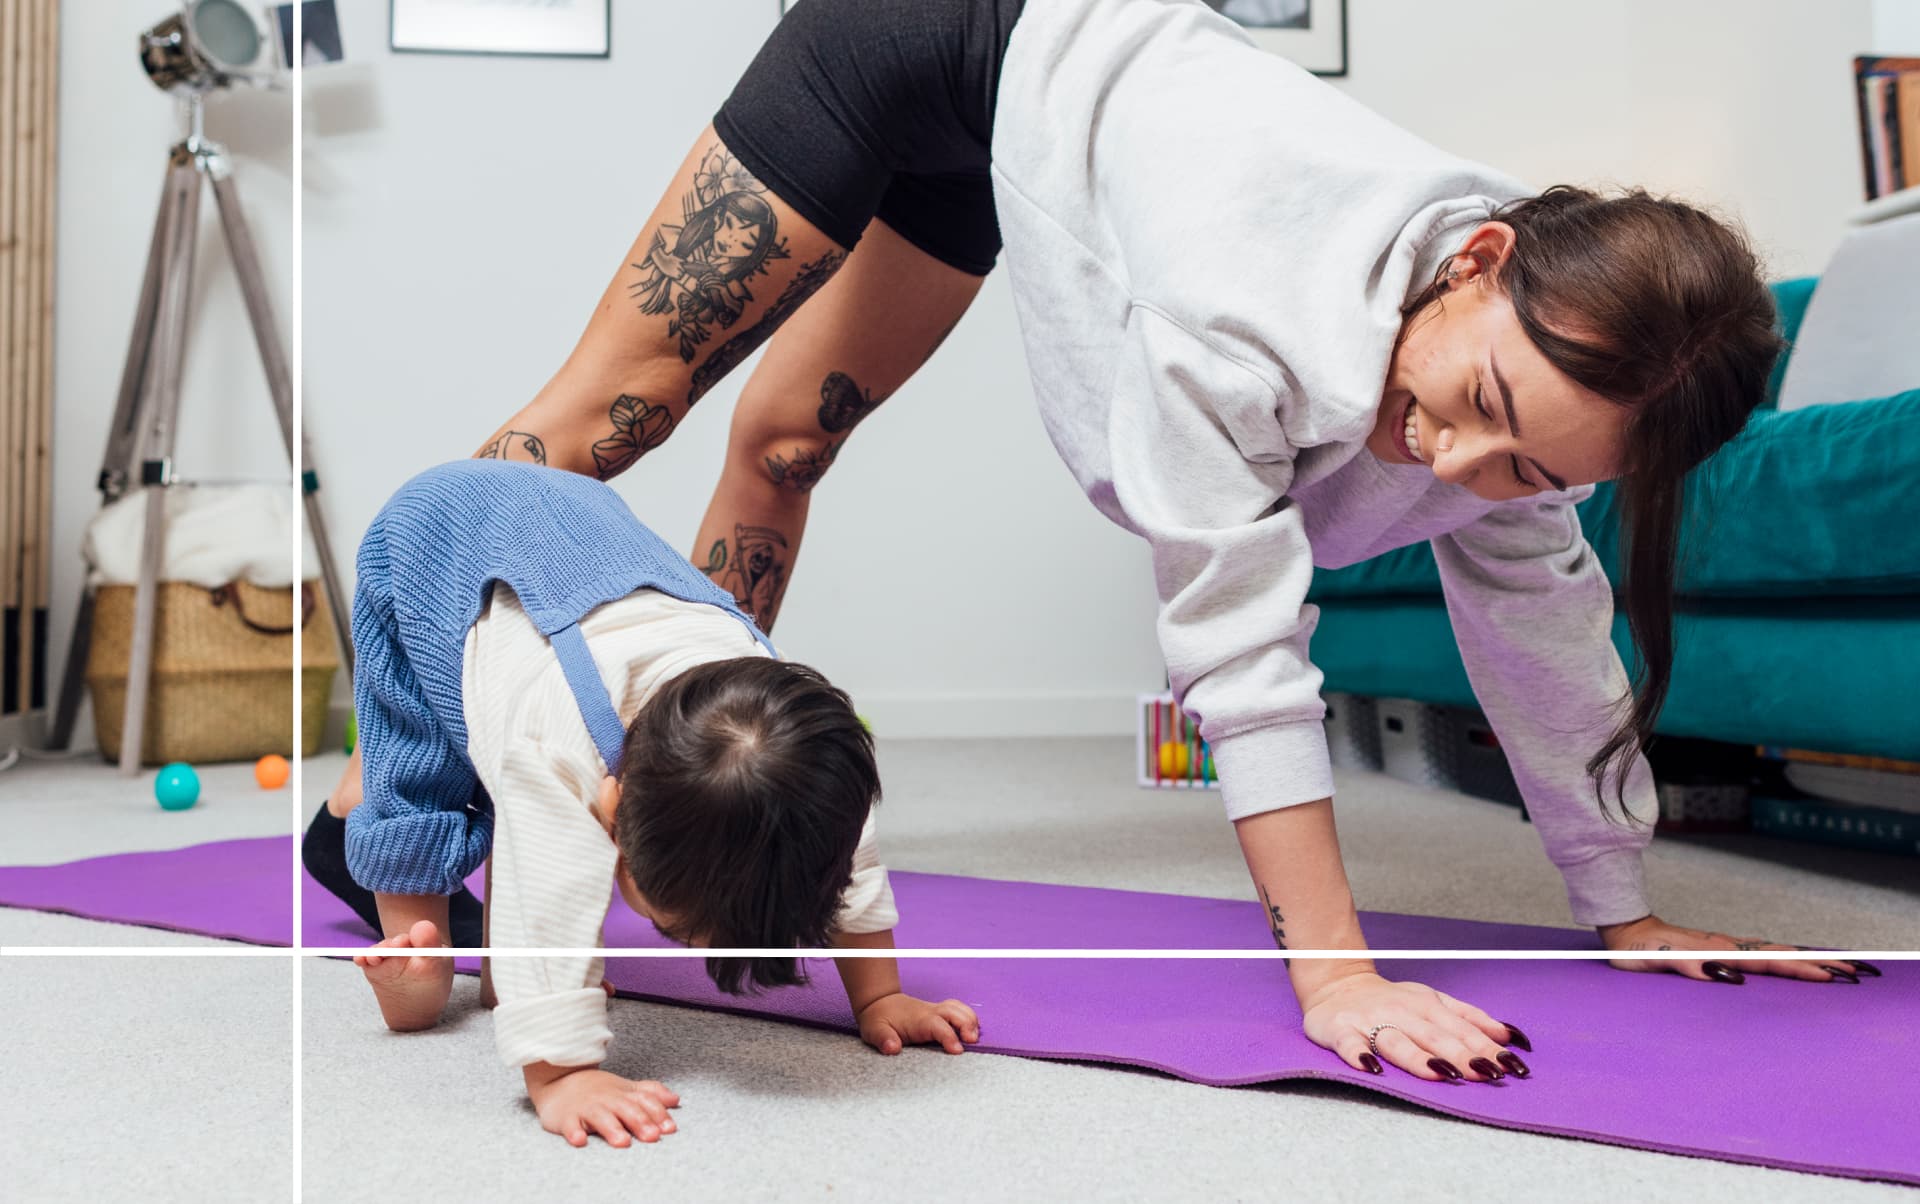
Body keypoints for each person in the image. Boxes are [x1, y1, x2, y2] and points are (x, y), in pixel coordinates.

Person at [319, 0, 1880, 1087]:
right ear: (1479, 258)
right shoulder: (1239, 298)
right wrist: (1331, 973)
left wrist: (1620, 902)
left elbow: (1543, 623)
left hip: (1030, 102)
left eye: (1519, 465)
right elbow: (1242, 650)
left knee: (786, 444)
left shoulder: (1540, 376)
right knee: (613, 413)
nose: (1449, 460)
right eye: (1471, 402)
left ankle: (716, 815)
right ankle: (392, 788)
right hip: (916, 32)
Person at [309, 459, 978, 1148]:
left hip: (577, 537)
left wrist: (878, 996)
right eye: (676, 927)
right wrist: (562, 1073)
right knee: (422, 905)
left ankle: (484, 974)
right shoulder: (555, 737)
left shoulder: (803, 748)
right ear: (611, 811)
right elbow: (548, 894)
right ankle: (401, 977)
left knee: (509, 972)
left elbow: (844, 860)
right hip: (428, 557)